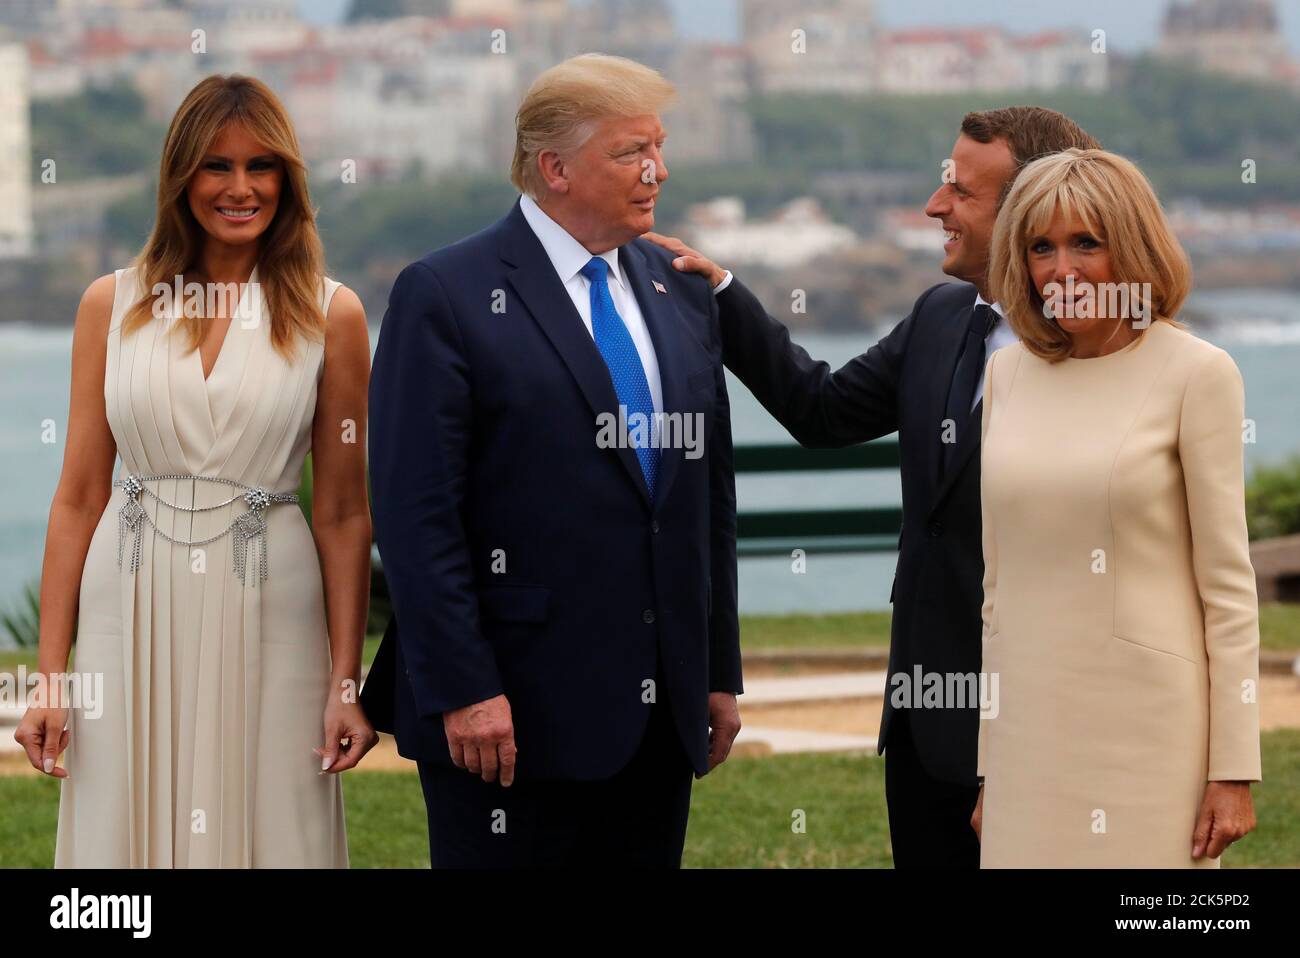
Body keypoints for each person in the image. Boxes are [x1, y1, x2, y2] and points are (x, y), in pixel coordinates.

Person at [647, 107, 1100, 868]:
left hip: (1046, 723)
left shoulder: (1109, 351)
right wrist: (722, 291)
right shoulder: (940, 316)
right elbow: (821, 410)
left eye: (959, 191)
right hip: (923, 721)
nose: (934, 207)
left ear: (1035, 206)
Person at [360, 53, 742, 868]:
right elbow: (415, 514)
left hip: (657, 718)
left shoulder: (682, 290)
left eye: (660, 148)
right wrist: (464, 687)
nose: (658, 171)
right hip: (506, 718)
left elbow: (706, 501)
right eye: (631, 153)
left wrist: (715, 671)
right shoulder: (445, 294)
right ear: (555, 168)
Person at [15, 74, 376, 867]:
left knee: (275, 816)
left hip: (273, 598)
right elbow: (78, 497)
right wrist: (52, 679)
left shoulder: (333, 314)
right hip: (128, 594)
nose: (240, 188)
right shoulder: (108, 305)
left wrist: (345, 683)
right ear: (181, 176)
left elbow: (346, 515)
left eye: (262, 167)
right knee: (122, 821)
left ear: (288, 179)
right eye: (216, 166)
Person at [973, 148, 1260, 867]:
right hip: (1026, 735)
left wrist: (1232, 770)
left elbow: (1227, 589)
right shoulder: (1006, 373)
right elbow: (996, 591)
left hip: (1149, 737)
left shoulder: (1197, 373)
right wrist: (989, 762)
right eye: (1041, 247)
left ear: (1131, 248)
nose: (1061, 270)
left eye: (1086, 243)